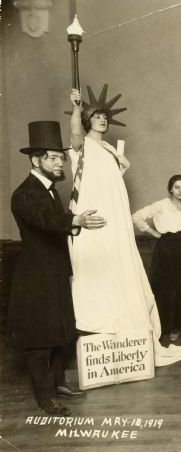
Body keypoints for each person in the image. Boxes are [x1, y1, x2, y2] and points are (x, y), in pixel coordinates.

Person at [68, 89, 181, 366]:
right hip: (95, 214)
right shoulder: (84, 144)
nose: (101, 119)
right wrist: (76, 109)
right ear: (87, 119)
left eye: (104, 117)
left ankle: (128, 328)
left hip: (115, 218)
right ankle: (99, 328)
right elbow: (75, 137)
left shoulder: (110, 149)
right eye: (95, 116)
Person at [9, 121, 107, 415]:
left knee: (60, 331)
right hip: (36, 279)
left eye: (60, 157)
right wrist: (74, 221)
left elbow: (53, 225)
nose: (59, 162)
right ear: (35, 160)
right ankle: (45, 397)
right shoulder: (25, 194)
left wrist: (72, 223)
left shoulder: (49, 190)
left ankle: (56, 384)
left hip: (54, 274)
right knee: (40, 339)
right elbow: (45, 221)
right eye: (52, 157)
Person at [132, 175, 181, 343]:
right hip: (166, 249)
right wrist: (153, 233)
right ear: (170, 189)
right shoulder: (160, 205)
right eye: (176, 187)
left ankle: (178, 326)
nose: (180, 190)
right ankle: (163, 326)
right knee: (164, 288)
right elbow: (137, 216)